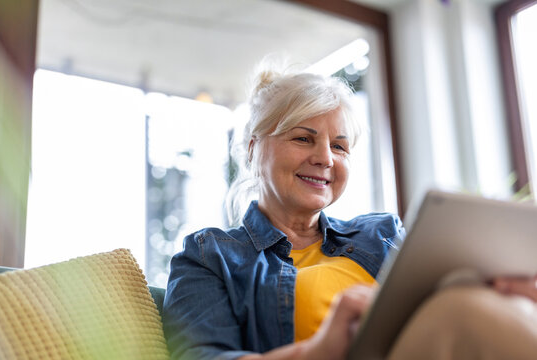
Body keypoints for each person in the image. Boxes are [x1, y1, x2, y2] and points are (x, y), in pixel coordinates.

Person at [162, 62, 537, 360]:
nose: (325, 158)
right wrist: (318, 351)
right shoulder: (209, 256)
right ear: (252, 148)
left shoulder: (382, 233)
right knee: (465, 313)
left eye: (339, 147)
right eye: (303, 138)